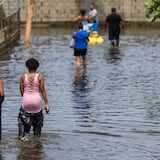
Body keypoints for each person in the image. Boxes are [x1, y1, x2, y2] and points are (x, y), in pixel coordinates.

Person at [18, 58, 50, 142]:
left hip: (26, 101)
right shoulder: (40, 77)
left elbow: (22, 91)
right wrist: (46, 104)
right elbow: (42, 90)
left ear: (27, 66)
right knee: (37, 128)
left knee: (22, 124)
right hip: (37, 102)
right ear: (37, 67)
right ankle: (36, 144)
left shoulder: (23, 77)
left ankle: (21, 140)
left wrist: (26, 98)